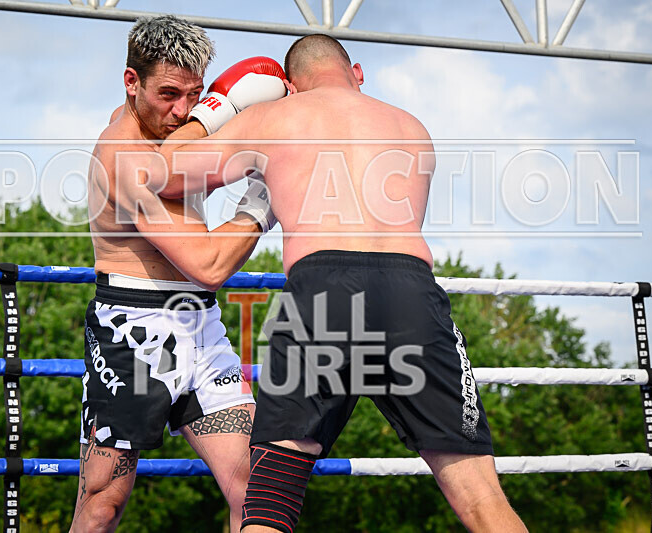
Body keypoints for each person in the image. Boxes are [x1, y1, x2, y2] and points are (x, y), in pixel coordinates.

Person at [154, 35, 528, 532]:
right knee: (482, 499)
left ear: (288, 86)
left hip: (321, 293)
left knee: (269, 504)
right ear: (358, 72)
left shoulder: (274, 119)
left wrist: (216, 110)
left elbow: (167, 172)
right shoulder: (412, 127)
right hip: (409, 293)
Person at [70, 16, 282, 533]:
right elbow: (209, 265)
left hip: (200, 327)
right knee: (104, 502)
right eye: (168, 93)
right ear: (131, 81)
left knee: (256, 490)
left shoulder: (180, 139)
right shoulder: (124, 156)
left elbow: (235, 155)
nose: (182, 111)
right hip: (132, 331)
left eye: (196, 95)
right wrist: (266, 198)